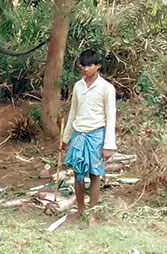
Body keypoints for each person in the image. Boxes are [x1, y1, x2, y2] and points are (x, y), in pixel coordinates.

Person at [62, 49, 117, 225]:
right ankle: (80, 210)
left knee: (95, 174)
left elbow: (111, 117)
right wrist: (66, 137)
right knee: (78, 174)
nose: (86, 69)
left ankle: (92, 213)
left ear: (98, 66)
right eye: (83, 66)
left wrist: (108, 145)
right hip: (79, 134)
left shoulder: (107, 88)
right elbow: (73, 113)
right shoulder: (78, 86)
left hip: (96, 135)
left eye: (90, 65)